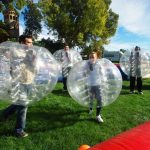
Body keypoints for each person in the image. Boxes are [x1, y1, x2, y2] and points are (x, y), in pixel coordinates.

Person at [1, 35, 35, 137]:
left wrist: (33, 58)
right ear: (20, 43)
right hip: (19, 82)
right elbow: (11, 60)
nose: (30, 45)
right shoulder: (15, 52)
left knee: (19, 103)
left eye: (31, 42)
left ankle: (5, 113)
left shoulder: (31, 52)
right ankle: (19, 130)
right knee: (23, 105)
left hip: (29, 81)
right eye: (28, 42)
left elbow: (33, 65)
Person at [86, 51, 103, 123]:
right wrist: (89, 67)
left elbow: (102, 74)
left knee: (99, 99)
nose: (91, 58)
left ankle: (98, 115)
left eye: (93, 57)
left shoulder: (99, 64)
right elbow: (84, 74)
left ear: (96, 58)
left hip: (97, 84)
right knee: (91, 98)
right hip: (90, 84)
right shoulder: (86, 64)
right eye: (90, 57)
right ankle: (90, 108)